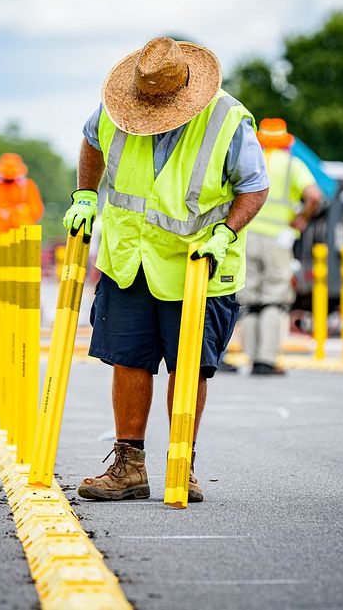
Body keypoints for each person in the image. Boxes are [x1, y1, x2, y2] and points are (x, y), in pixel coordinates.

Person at [64, 36, 268, 502]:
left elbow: (254, 187)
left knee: (189, 366)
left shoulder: (227, 120)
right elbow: (91, 142)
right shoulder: (115, 110)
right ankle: (128, 466)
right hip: (129, 259)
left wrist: (226, 233)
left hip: (199, 264)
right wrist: (85, 195)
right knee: (128, 358)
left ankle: (182, 463)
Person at [235, 118, 322, 376]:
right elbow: (315, 196)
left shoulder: (251, 160)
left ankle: (250, 357)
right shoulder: (292, 165)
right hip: (278, 238)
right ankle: (266, 359)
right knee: (274, 298)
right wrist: (302, 218)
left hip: (247, 236)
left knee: (250, 299)